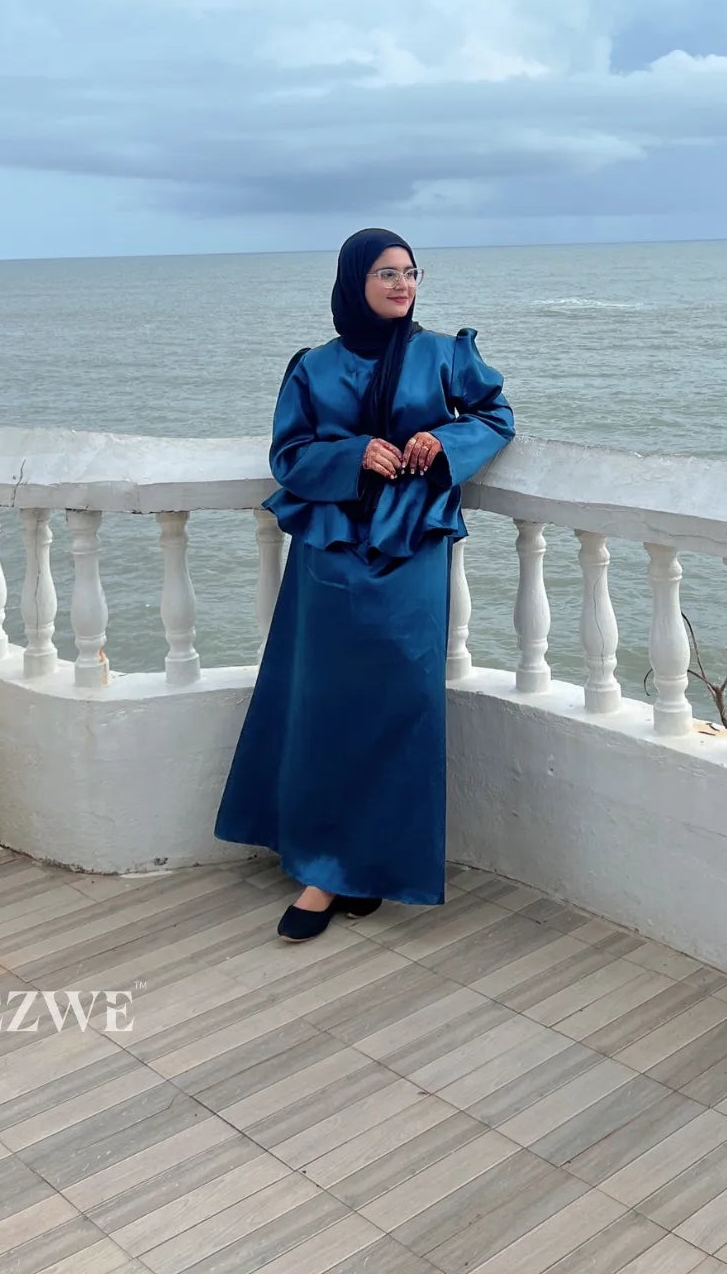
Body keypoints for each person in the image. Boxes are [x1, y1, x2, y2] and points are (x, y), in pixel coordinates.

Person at [214, 227, 515, 941]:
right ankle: (327, 867)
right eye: (385, 273)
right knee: (324, 708)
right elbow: (290, 453)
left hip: (411, 552)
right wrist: (355, 454)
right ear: (355, 281)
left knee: (402, 707)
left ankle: (362, 864)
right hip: (331, 556)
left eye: (410, 272)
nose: (402, 285)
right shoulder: (314, 369)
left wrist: (445, 441)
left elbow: (496, 416)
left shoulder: (444, 354)